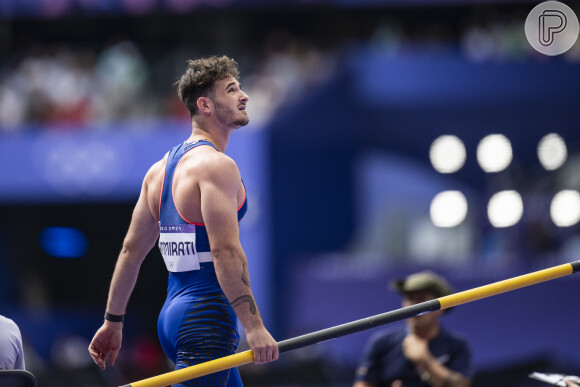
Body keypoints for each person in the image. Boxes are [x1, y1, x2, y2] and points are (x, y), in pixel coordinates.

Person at [88, 55, 278, 386]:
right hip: (205, 319)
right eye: (232, 90)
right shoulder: (217, 167)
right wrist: (255, 327)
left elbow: (131, 251)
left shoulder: (158, 171)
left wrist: (113, 321)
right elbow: (225, 254)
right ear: (205, 104)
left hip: (175, 315)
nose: (244, 96)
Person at [353, 271, 472, 387]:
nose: (414, 306)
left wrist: (425, 360)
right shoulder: (381, 342)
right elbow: (362, 383)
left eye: (421, 299)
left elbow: (462, 384)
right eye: (410, 298)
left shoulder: (457, 344)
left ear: (442, 307)